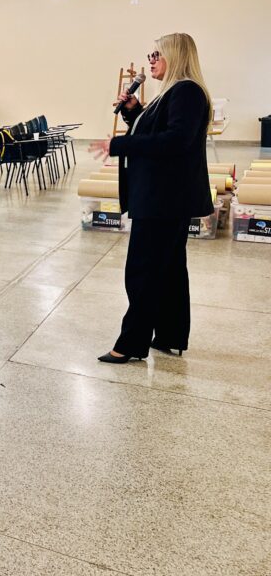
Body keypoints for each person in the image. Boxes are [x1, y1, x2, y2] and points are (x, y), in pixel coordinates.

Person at [88, 33, 213, 364]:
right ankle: (170, 334)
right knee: (168, 269)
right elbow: (159, 131)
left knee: (143, 270)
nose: (151, 61)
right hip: (163, 197)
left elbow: (175, 141)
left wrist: (118, 144)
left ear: (176, 55)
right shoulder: (174, 92)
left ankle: (131, 343)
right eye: (150, 55)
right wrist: (134, 113)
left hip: (164, 199)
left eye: (157, 54)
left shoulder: (186, 91)